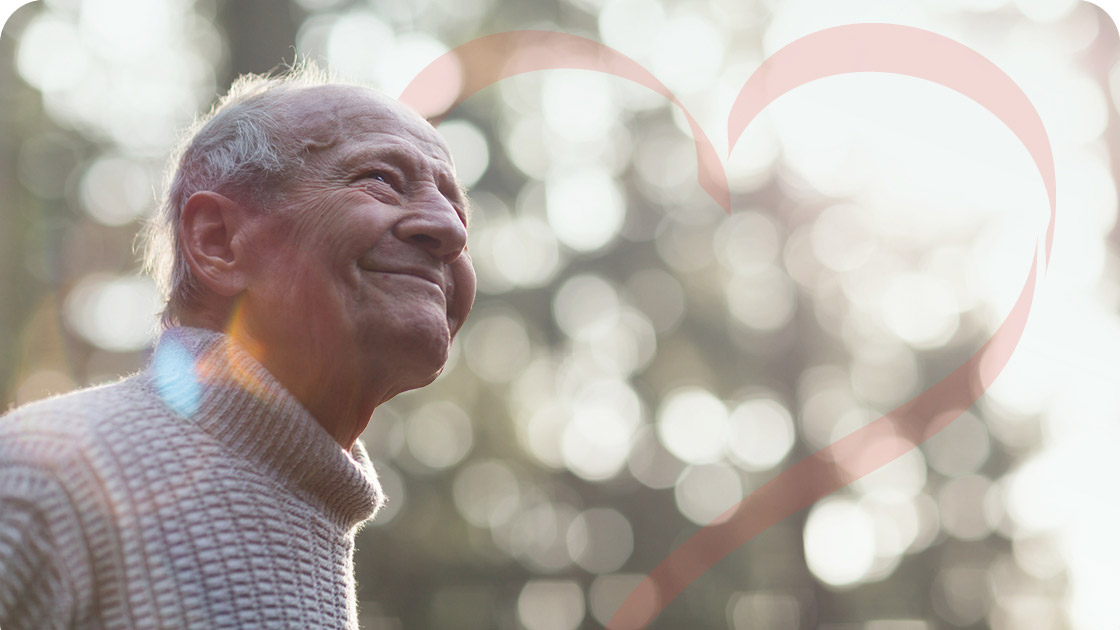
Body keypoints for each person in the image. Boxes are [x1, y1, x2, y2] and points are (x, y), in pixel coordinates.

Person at [0, 65, 476, 629]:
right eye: (380, 180)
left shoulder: (316, 515)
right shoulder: (42, 481)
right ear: (218, 241)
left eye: (456, 205)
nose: (449, 228)